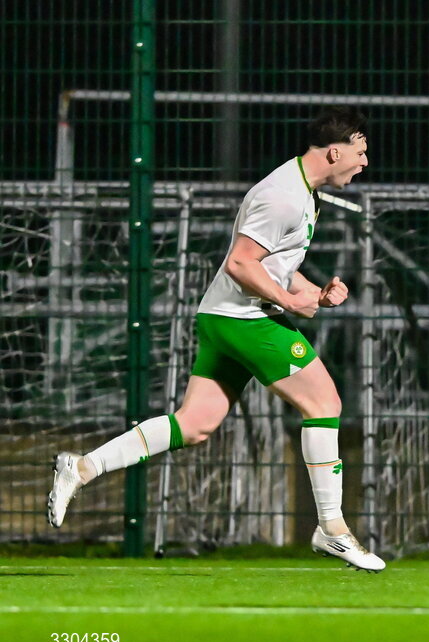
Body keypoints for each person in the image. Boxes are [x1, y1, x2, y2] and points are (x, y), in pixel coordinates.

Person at [47, 106, 384, 571]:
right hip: (246, 320)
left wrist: (316, 293)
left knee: (195, 423)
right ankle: (332, 529)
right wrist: (287, 302)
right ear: (334, 150)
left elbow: (274, 263)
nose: (364, 162)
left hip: (223, 317)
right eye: (360, 152)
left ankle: (82, 467)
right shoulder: (284, 195)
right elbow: (241, 264)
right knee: (324, 403)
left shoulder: (302, 191)